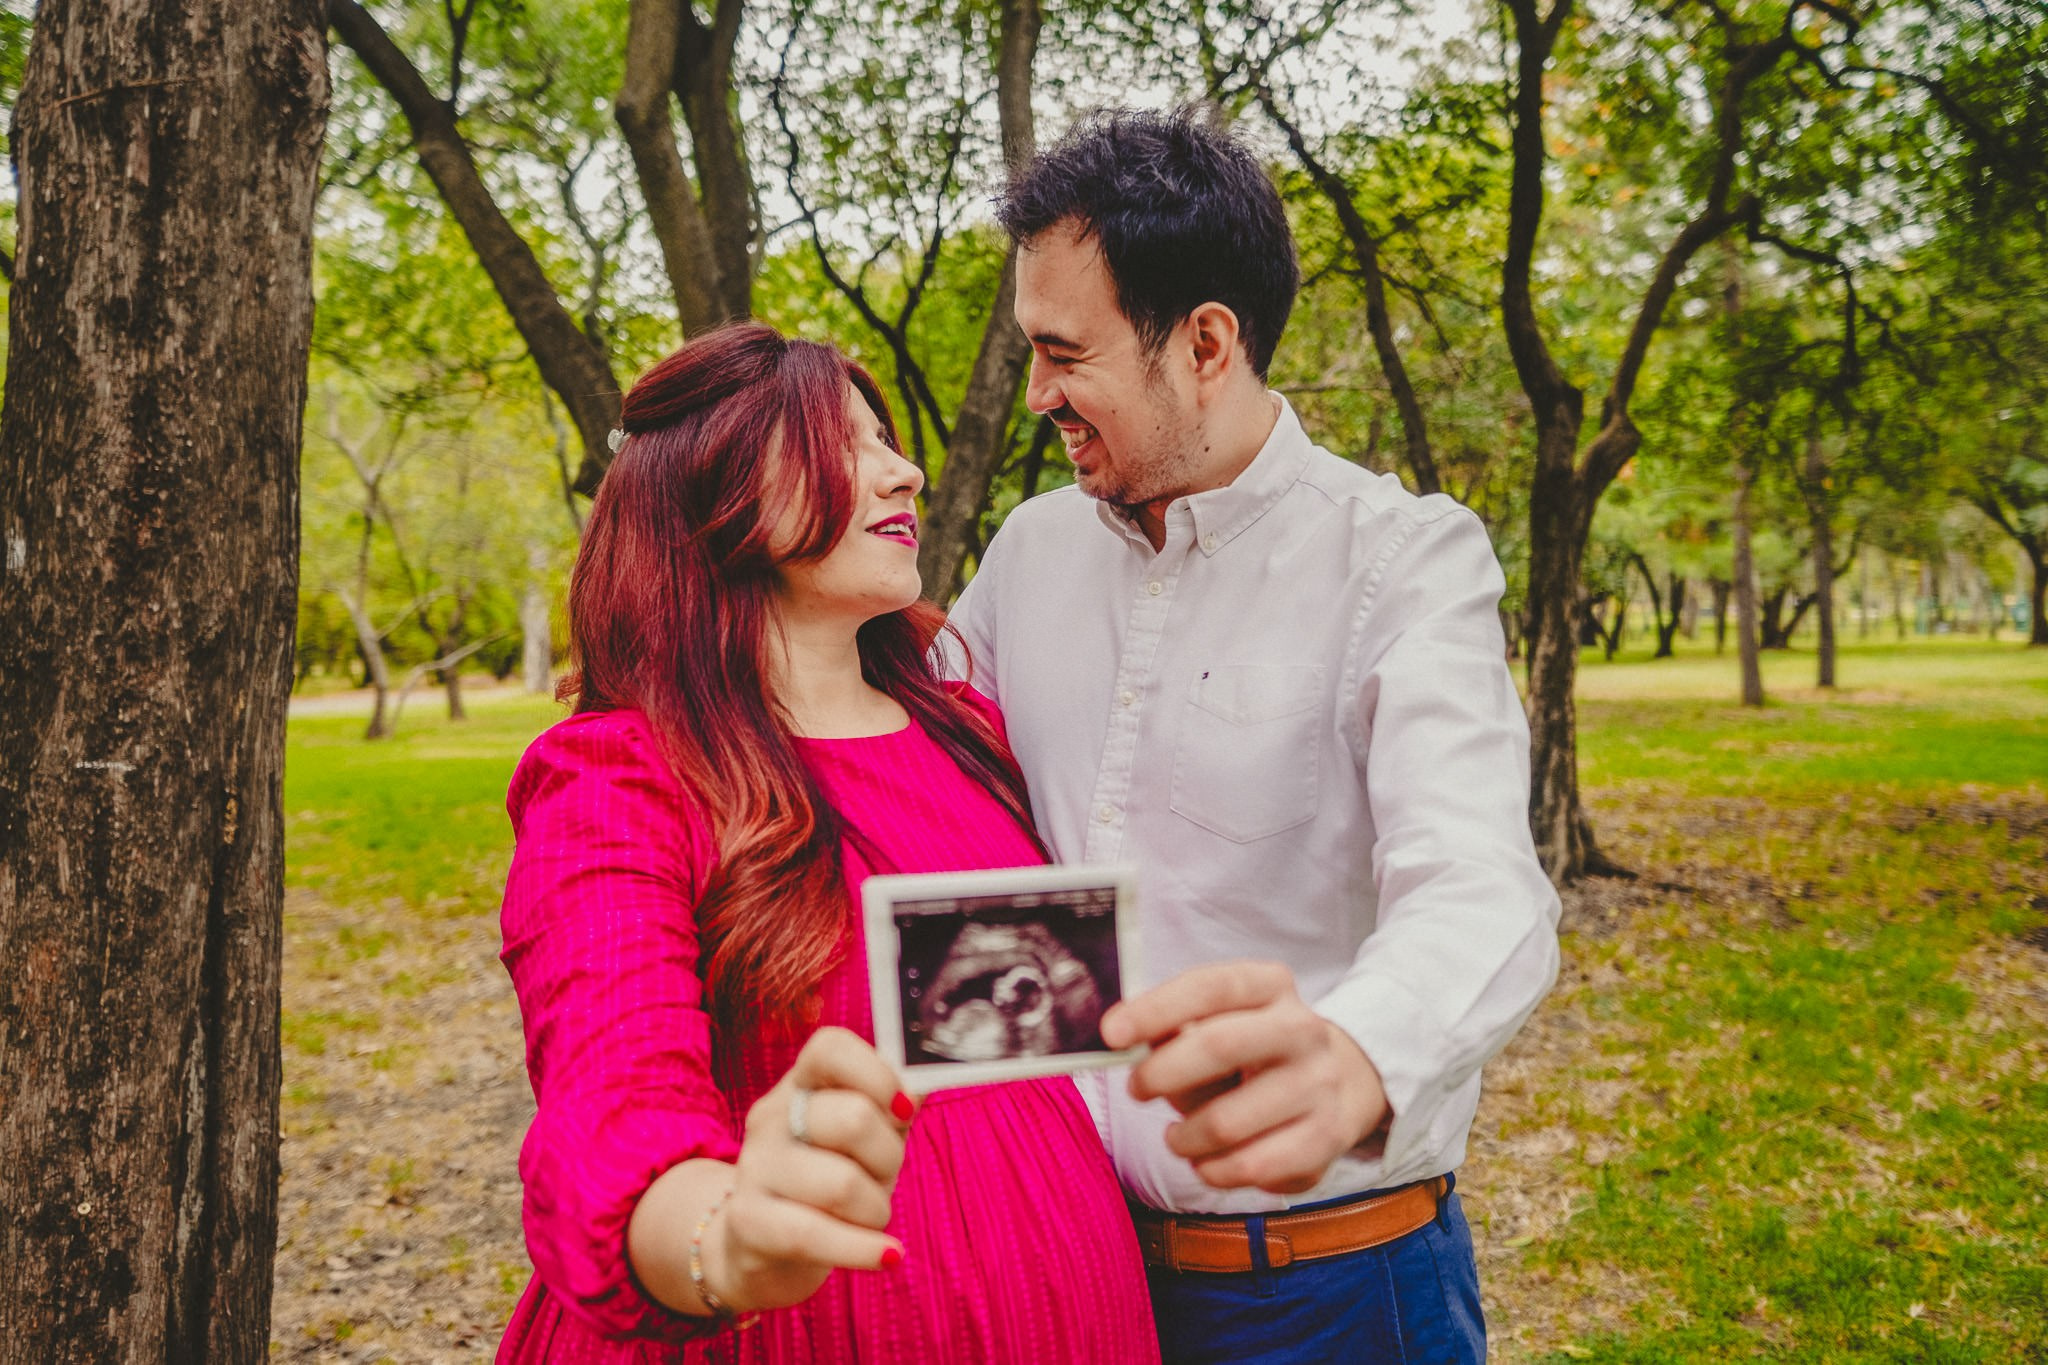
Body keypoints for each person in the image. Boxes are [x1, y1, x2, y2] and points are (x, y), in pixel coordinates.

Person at [945, 107, 1563, 1363]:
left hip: (1333, 1291)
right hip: (1077, 1276)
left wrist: (1356, 1054)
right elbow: (922, 788)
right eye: (1029, 352)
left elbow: (1480, 887)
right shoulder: (1028, 552)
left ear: (1206, 342)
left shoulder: (1401, 561)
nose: (1037, 398)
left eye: (1064, 355)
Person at [496, 323, 1158, 1362]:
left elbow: (1012, 1022)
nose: (905, 472)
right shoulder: (618, 780)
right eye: (847, 444)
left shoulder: (968, 733)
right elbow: (610, 1095)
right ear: (720, 488)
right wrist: (721, 1234)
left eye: (888, 442)